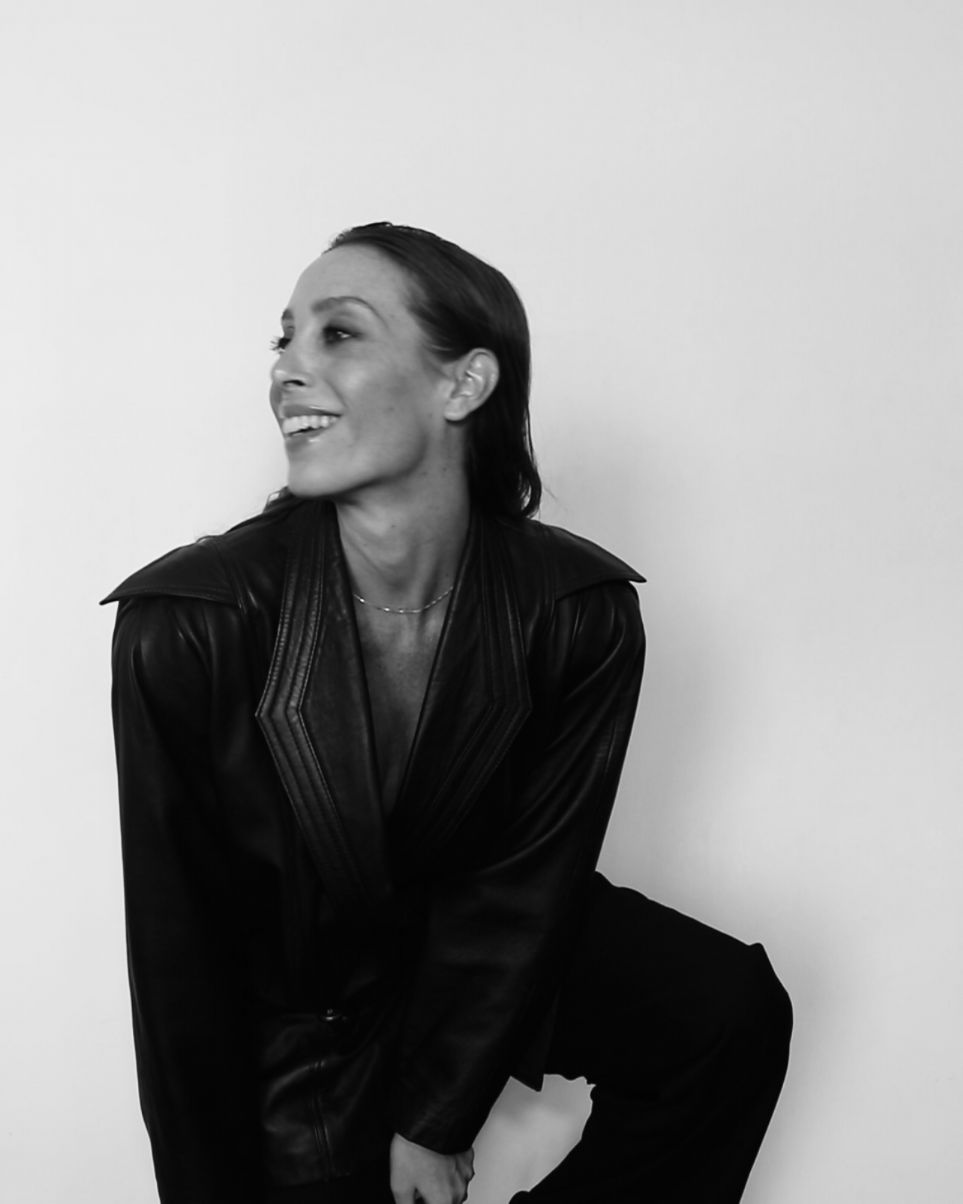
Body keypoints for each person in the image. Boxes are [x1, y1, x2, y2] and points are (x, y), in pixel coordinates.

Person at [103, 222, 792, 1204]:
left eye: (340, 333)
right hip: (304, 1015)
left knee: (722, 1012)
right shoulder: (188, 624)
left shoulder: (576, 611)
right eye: (284, 339)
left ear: (463, 384)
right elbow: (180, 969)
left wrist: (435, 1114)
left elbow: (525, 885)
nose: (288, 370)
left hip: (481, 940)